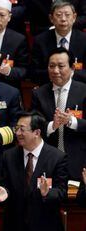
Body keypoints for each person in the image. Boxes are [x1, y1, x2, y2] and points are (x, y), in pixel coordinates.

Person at [0, 111, 68, 231]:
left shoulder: (57, 157)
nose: (18, 133)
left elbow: (62, 192)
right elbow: (5, 185)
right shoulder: (9, 156)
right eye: (17, 128)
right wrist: (4, 192)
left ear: (37, 132)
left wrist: (47, 193)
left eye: (22, 129)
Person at [31, 48, 86, 181]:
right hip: (48, 161)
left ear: (72, 67)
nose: (55, 71)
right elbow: (33, 124)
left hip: (79, 160)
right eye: (51, 66)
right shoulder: (39, 94)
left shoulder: (84, 91)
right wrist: (52, 125)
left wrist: (71, 121)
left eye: (61, 66)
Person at [31, 0, 86, 85]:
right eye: (59, 15)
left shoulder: (84, 40)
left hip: (79, 89)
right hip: (49, 87)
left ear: (74, 17)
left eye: (67, 15)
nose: (63, 19)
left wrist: (70, 73)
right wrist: (56, 74)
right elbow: (34, 73)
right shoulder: (40, 41)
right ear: (51, 18)